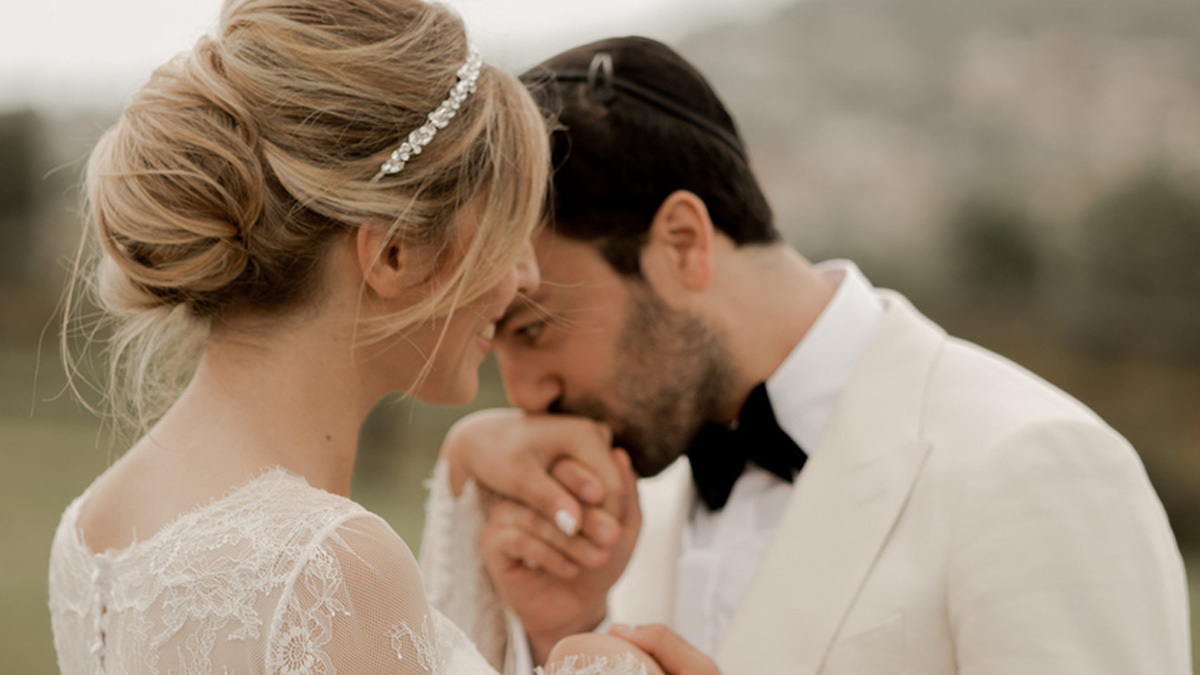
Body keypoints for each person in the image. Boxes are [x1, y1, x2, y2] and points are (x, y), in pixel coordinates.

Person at [426, 36, 1193, 674]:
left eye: (533, 329)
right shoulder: (629, 514)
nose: (524, 392)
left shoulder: (1035, 463)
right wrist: (567, 625)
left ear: (683, 244)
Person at [47, 5, 711, 674]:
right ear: (395, 253)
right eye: (505, 234)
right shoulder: (329, 565)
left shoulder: (89, 529)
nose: (526, 276)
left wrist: (461, 483)